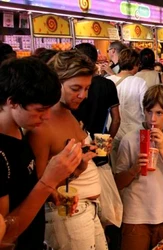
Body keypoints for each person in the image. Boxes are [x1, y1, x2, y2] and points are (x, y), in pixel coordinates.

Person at [0, 57, 82, 250]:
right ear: (13, 102)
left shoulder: (19, 130)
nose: (46, 117)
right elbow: (5, 235)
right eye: (40, 110)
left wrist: (51, 192)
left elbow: (23, 188)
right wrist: (48, 182)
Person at [28, 51, 107, 250]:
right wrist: (76, 171)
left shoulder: (68, 113)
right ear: (56, 82)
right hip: (67, 215)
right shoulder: (42, 123)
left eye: (87, 88)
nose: (83, 95)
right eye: (76, 88)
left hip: (86, 210)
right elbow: (40, 183)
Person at [115, 85, 163, 250]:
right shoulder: (129, 139)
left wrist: (162, 149)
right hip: (135, 215)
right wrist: (134, 169)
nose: (152, 119)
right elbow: (117, 183)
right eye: (149, 111)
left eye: (159, 113)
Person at [107, 49, 148, 167]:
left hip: (113, 135)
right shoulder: (139, 82)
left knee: (116, 171)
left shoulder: (108, 81)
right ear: (136, 64)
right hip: (134, 135)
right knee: (134, 170)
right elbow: (145, 109)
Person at [72, 43, 120, 141]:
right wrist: (106, 142)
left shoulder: (74, 84)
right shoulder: (108, 84)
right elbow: (116, 119)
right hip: (99, 140)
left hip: (76, 141)